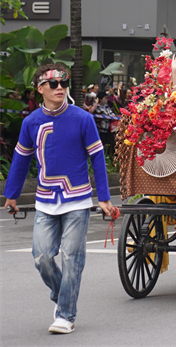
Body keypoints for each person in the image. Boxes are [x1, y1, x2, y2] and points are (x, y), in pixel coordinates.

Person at [3, 63, 114, 334]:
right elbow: (20, 159)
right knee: (41, 257)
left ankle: (65, 314)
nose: (60, 88)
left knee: (72, 257)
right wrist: (11, 195)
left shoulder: (82, 118)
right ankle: (62, 294)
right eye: (53, 84)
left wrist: (103, 197)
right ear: (40, 88)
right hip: (45, 200)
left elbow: (97, 157)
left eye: (64, 83)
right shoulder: (30, 122)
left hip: (77, 199)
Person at [93, 91, 117, 156]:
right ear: (100, 99)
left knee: (108, 142)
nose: (106, 100)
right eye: (105, 98)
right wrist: (109, 116)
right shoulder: (97, 106)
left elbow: (111, 114)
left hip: (107, 128)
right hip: (100, 128)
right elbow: (104, 114)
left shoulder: (106, 106)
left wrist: (112, 116)